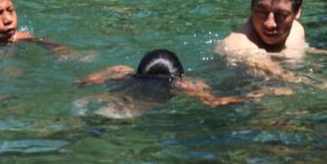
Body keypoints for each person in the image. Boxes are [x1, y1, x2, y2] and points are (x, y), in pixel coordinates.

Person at [76, 49, 243, 113]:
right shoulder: (182, 84)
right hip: (132, 110)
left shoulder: (124, 72)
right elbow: (214, 102)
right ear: (179, 74)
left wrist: (84, 82)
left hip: (114, 98)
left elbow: (88, 80)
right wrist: (253, 96)